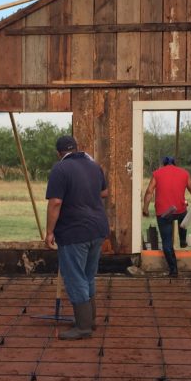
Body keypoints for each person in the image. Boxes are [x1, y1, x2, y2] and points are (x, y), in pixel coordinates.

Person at [45, 135, 110, 340]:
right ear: (77, 148)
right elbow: (105, 192)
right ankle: (89, 320)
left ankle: (83, 327)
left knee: (75, 277)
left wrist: (49, 232)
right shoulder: (94, 166)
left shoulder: (60, 169)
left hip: (74, 231)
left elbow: (55, 202)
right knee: (88, 275)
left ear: (59, 153)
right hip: (98, 229)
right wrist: (85, 196)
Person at [142, 156, 191, 276]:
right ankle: (183, 240)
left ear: (164, 164)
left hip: (164, 213)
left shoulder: (157, 173)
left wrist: (145, 208)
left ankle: (173, 270)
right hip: (180, 210)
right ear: (175, 163)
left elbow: (149, 191)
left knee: (167, 243)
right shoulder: (184, 173)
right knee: (183, 217)